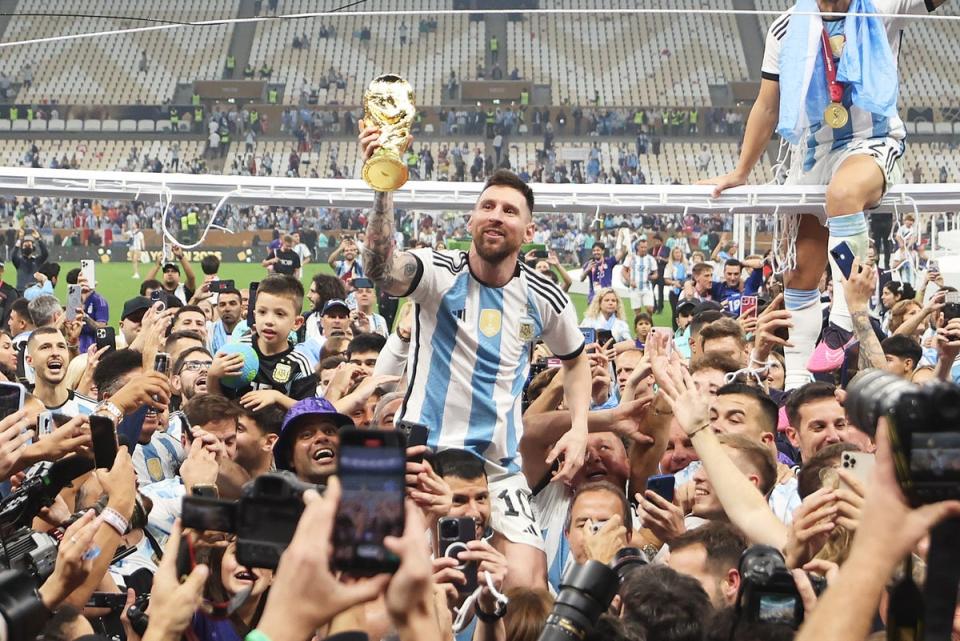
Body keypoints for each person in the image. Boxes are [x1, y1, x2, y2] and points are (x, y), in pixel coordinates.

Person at [359, 120, 591, 590]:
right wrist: (383, 185)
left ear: (528, 230)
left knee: (526, 584)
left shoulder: (544, 296)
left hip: (497, 469)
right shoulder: (437, 273)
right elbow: (381, 269)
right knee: (393, 582)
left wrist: (581, 428)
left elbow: (576, 358)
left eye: (509, 210)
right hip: (421, 459)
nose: (496, 215)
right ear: (470, 220)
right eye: (487, 205)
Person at [703, 0, 949, 391]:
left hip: (871, 142)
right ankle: (798, 384)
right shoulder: (785, 28)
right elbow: (768, 105)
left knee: (843, 193)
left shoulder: (885, 6)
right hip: (813, 151)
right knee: (799, 273)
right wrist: (741, 171)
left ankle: (842, 321)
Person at [208, 275, 316, 405]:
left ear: (297, 323)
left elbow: (307, 411)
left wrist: (278, 398)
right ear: (254, 315)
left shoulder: (300, 363)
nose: (269, 321)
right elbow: (220, 404)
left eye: (280, 314)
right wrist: (212, 376)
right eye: (262, 312)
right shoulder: (238, 349)